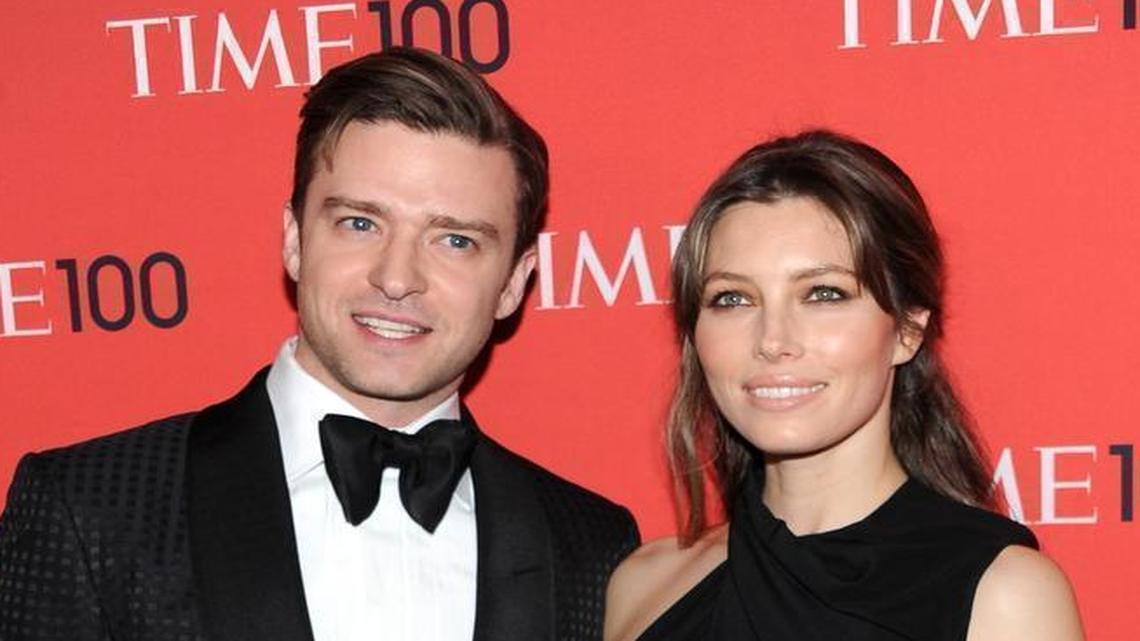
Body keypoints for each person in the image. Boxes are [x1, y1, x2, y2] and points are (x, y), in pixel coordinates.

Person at [0, 47, 639, 641]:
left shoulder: (591, 545)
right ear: (295, 240)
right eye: (360, 223)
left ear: (513, 284)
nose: (396, 278)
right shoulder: (90, 506)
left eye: (455, 241)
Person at [604, 130, 1083, 641]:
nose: (773, 339)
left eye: (824, 293)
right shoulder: (645, 587)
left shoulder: (1002, 595)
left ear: (906, 330)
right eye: (733, 299)